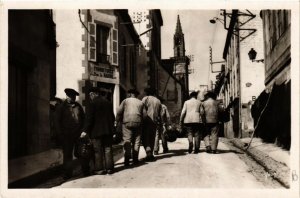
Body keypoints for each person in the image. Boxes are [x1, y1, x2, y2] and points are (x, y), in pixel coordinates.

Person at [81, 87, 115, 175]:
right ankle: (110, 168)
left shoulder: (92, 104)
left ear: (93, 94)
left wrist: (85, 130)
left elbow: (89, 119)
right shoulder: (108, 102)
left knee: (97, 151)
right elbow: (112, 117)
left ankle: (99, 169)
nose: (90, 97)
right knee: (108, 149)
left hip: (96, 132)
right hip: (108, 131)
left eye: (90, 95)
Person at [54, 88, 85, 179]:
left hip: (78, 134)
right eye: (71, 96)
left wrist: (83, 131)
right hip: (66, 135)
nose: (73, 98)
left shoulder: (78, 106)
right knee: (67, 155)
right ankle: (67, 173)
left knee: (81, 152)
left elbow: (83, 119)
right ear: (67, 96)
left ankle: (85, 170)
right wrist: (60, 134)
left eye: (74, 96)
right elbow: (57, 122)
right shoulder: (61, 107)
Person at [116, 88, 146, 166]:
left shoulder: (125, 101)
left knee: (127, 140)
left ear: (130, 94)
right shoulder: (141, 102)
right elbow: (145, 115)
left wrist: (116, 121)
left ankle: (127, 159)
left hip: (127, 122)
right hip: (138, 122)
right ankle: (135, 159)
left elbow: (119, 112)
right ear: (136, 95)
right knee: (137, 141)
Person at [142, 88, 162, 161]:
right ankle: (151, 154)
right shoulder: (158, 101)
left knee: (145, 137)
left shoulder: (145, 99)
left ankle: (148, 153)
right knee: (152, 137)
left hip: (146, 121)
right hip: (155, 122)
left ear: (147, 92)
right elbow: (160, 113)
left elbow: (142, 109)